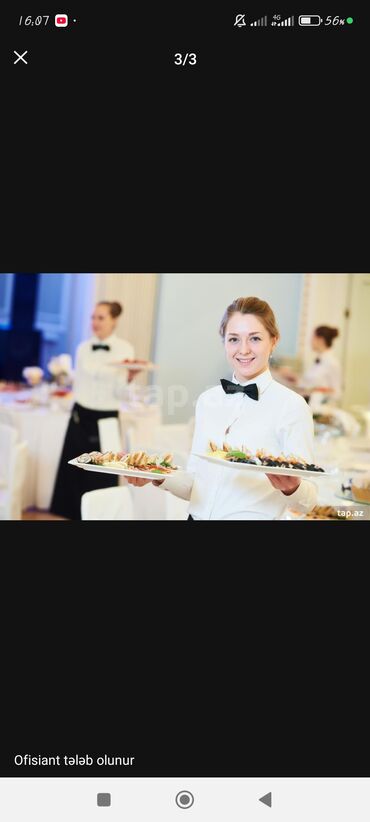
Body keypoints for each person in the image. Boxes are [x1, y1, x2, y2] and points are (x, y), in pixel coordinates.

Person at [127, 296, 318, 520]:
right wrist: (157, 475)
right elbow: (195, 486)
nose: (243, 349)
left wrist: (291, 488)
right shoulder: (208, 401)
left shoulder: (292, 406)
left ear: (273, 341)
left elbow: (309, 502)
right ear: (224, 342)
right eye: (234, 339)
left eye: (255, 338)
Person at [50, 300, 137, 520]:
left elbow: (123, 395)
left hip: (107, 417)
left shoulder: (125, 349)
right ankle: (69, 513)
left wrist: (129, 378)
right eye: (93, 317)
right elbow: (78, 383)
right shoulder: (82, 348)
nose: (95, 322)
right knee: (74, 471)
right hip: (81, 415)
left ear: (113, 320)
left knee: (105, 470)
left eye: (101, 318)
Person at [277, 326, 342, 405]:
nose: (310, 341)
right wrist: (294, 378)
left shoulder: (332, 363)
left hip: (320, 409)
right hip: (308, 404)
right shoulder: (317, 361)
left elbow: (336, 393)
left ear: (320, 340)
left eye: (313, 338)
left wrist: (317, 392)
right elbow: (309, 385)